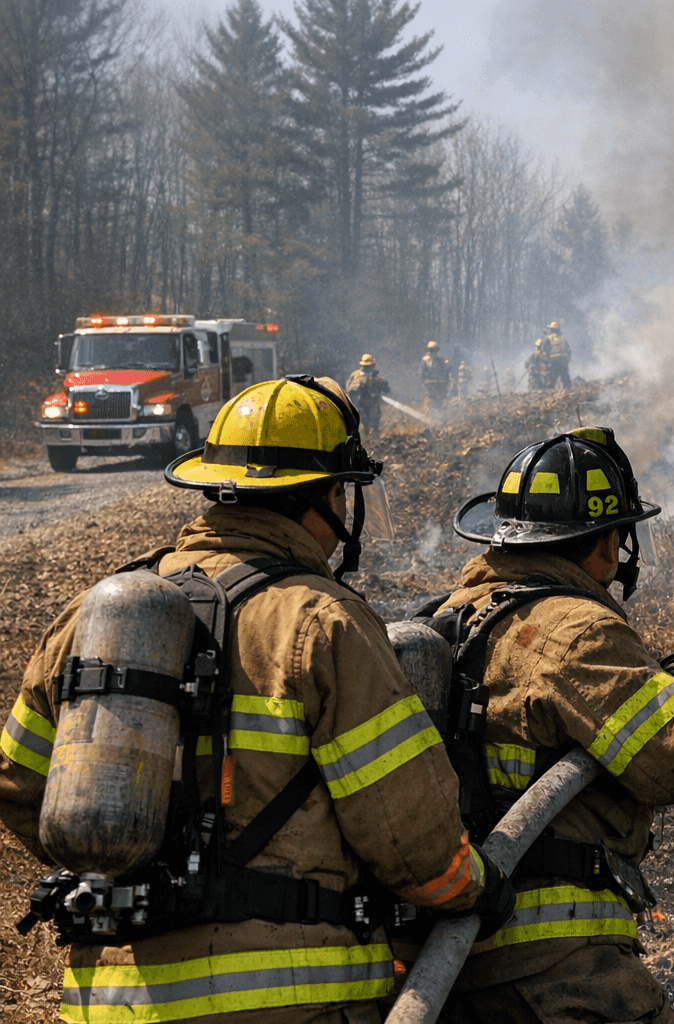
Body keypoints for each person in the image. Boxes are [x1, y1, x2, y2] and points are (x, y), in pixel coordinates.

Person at [0, 375, 510, 1024]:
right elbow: (412, 843)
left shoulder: (95, 613)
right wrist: (480, 889)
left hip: (108, 1003)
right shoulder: (325, 624)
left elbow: (19, 782)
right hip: (285, 1001)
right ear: (325, 498)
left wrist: (132, 871)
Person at [405, 428, 674, 1024]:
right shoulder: (572, 629)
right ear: (602, 540)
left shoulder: (451, 619)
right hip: (559, 971)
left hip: (450, 969)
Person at [346, 353, 391, 434]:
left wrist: (382, 385)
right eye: (365, 366)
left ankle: (375, 438)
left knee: (374, 422)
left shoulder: (377, 377)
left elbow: (386, 390)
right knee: (363, 422)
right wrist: (358, 387)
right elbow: (348, 389)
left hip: (373, 403)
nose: (367, 368)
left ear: (373, 365)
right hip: (360, 404)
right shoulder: (355, 375)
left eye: (369, 366)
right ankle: (366, 437)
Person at [421, 340, 451, 409]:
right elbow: (448, 370)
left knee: (435, 400)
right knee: (442, 400)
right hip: (439, 384)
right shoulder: (442, 358)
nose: (433, 352)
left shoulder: (426, 359)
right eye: (433, 350)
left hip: (431, 384)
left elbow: (421, 373)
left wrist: (424, 382)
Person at [543, 321, 571, 389]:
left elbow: (544, 350)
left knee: (552, 377)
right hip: (563, 358)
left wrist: (545, 361)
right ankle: (567, 392)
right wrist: (568, 359)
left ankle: (550, 392)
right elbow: (569, 350)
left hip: (553, 359)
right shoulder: (563, 338)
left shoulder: (547, 338)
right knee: (565, 377)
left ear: (551, 329)